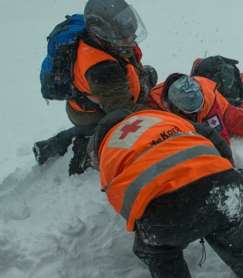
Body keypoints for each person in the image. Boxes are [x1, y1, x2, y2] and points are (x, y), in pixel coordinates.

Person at [87, 108, 243, 278]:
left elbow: (126, 204)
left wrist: (156, 229)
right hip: (224, 185)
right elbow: (213, 136)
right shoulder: (160, 117)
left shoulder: (108, 152)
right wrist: (222, 172)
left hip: (166, 212)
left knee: (158, 254)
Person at [34, 0, 157, 174]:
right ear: (104, 33)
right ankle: (85, 151)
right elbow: (123, 112)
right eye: (125, 36)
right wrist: (163, 117)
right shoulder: (102, 68)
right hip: (90, 112)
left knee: (150, 76)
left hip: (99, 95)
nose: (132, 38)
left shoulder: (105, 41)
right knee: (121, 126)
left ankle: (54, 143)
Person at [147, 73, 243, 144]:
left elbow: (221, 140)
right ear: (172, 105)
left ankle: (236, 104)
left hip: (219, 106)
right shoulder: (154, 104)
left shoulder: (208, 105)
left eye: (198, 106)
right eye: (191, 109)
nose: (197, 111)